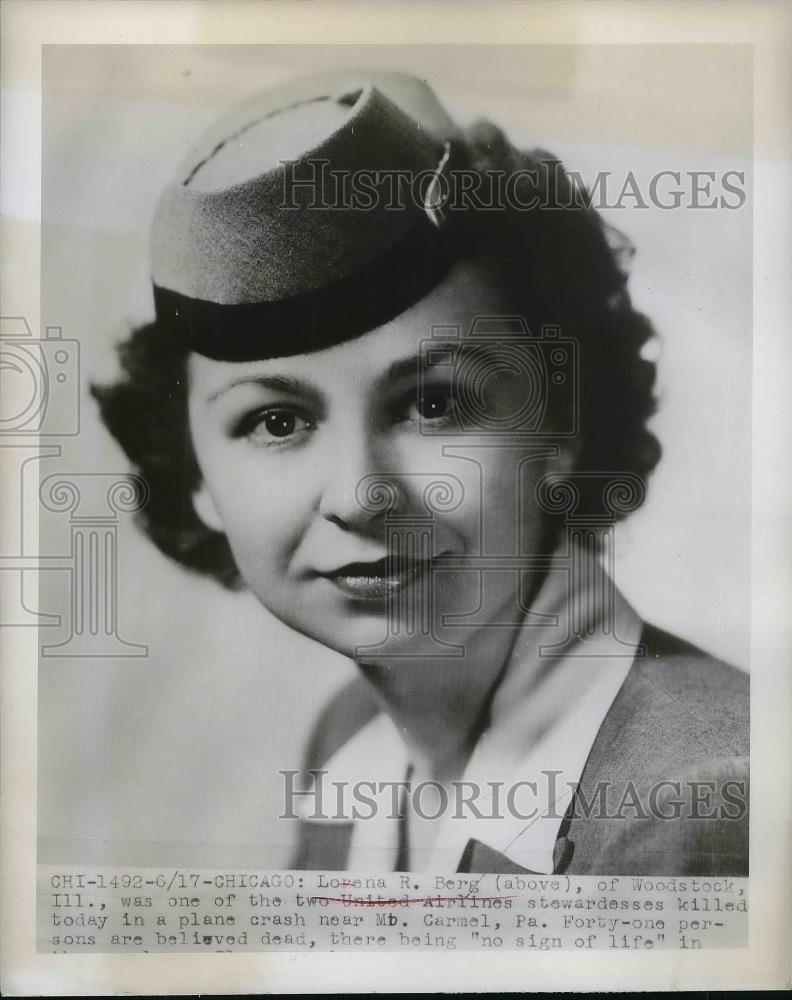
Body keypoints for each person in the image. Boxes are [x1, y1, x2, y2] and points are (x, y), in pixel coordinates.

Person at [93, 69, 748, 876]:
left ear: (559, 426)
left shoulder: (706, 804)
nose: (361, 495)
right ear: (196, 472)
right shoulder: (353, 747)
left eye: (433, 405)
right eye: (277, 421)